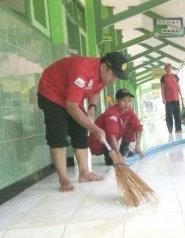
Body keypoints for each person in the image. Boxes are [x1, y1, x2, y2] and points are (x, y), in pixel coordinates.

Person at [37, 51, 128, 192]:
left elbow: (95, 91)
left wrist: (92, 108)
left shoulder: (103, 75)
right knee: (58, 133)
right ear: (103, 67)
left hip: (71, 96)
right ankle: (63, 178)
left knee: (80, 130)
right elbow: (71, 106)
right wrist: (95, 128)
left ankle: (84, 173)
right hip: (52, 93)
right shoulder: (83, 70)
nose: (114, 80)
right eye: (114, 75)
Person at [89, 89, 145, 166]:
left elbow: (138, 127)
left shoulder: (129, 111)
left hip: (110, 139)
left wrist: (138, 146)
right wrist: (117, 155)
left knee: (132, 124)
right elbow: (111, 135)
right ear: (117, 101)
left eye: (129, 101)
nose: (126, 104)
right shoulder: (112, 113)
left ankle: (123, 149)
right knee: (110, 130)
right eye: (123, 101)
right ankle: (109, 155)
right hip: (98, 142)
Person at [160, 63, 183, 134]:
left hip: (176, 98)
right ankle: (170, 129)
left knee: (177, 114)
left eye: (169, 68)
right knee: (169, 115)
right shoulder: (163, 78)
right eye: (167, 68)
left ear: (171, 68)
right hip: (168, 99)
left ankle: (178, 128)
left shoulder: (175, 76)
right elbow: (162, 89)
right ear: (165, 69)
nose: (168, 69)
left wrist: (181, 95)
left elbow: (178, 86)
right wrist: (163, 98)